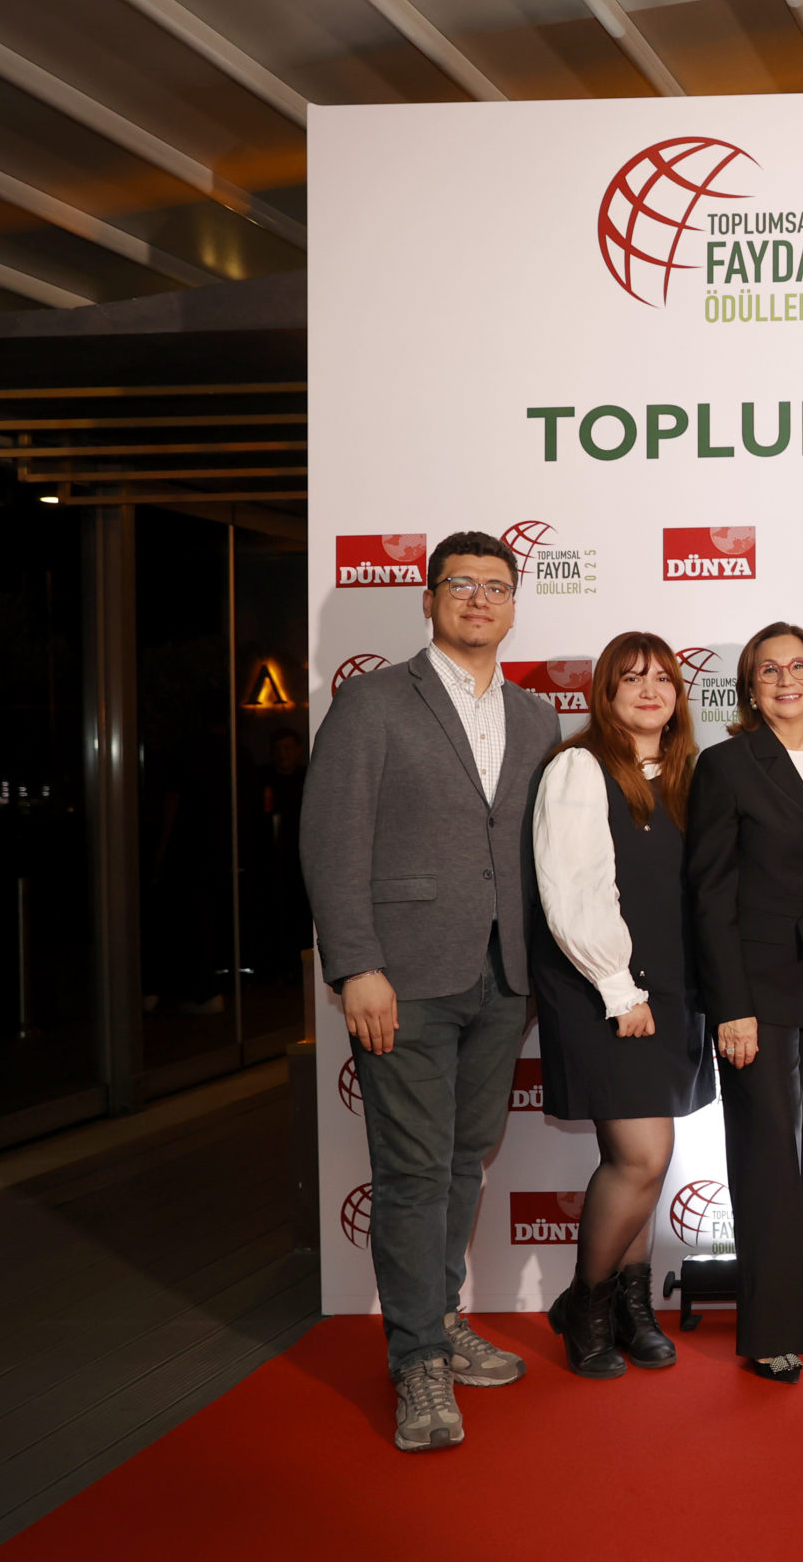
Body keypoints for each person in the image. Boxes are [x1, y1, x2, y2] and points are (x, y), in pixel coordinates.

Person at [301, 530, 555, 1452]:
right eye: (460, 583)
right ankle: (415, 1361)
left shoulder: (536, 717)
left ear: (514, 604)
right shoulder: (372, 702)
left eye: (496, 585)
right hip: (400, 978)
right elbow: (332, 839)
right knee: (412, 1170)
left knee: (460, 1161)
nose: (479, 598)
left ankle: (439, 1321)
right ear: (429, 598)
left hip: (504, 976)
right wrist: (354, 964)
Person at [530, 631, 716, 1379]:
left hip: (672, 990)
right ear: (604, 693)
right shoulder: (579, 768)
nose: (649, 691)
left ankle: (631, 1307)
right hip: (606, 990)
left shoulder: (686, 775)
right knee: (642, 1156)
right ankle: (584, 1304)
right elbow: (572, 892)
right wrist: (619, 988)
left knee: (639, 1160)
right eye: (631, 678)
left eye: (662, 678)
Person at [686, 621, 803, 1384]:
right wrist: (731, 1004)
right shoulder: (726, 765)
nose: (787, 680)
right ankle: (769, 1328)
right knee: (766, 1156)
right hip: (756, 989)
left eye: (799, 666)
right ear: (750, 689)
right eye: (768, 670)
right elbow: (709, 894)